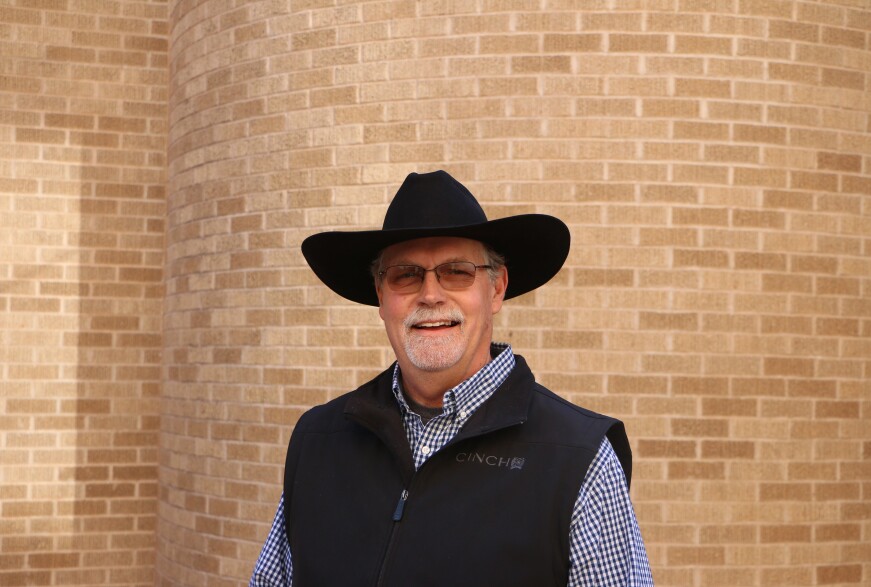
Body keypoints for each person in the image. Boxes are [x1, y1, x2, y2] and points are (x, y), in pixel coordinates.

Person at [250, 170, 653, 586]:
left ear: (496, 290)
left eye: (457, 271)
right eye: (405, 274)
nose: (430, 294)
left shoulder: (579, 459)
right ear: (381, 296)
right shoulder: (318, 441)